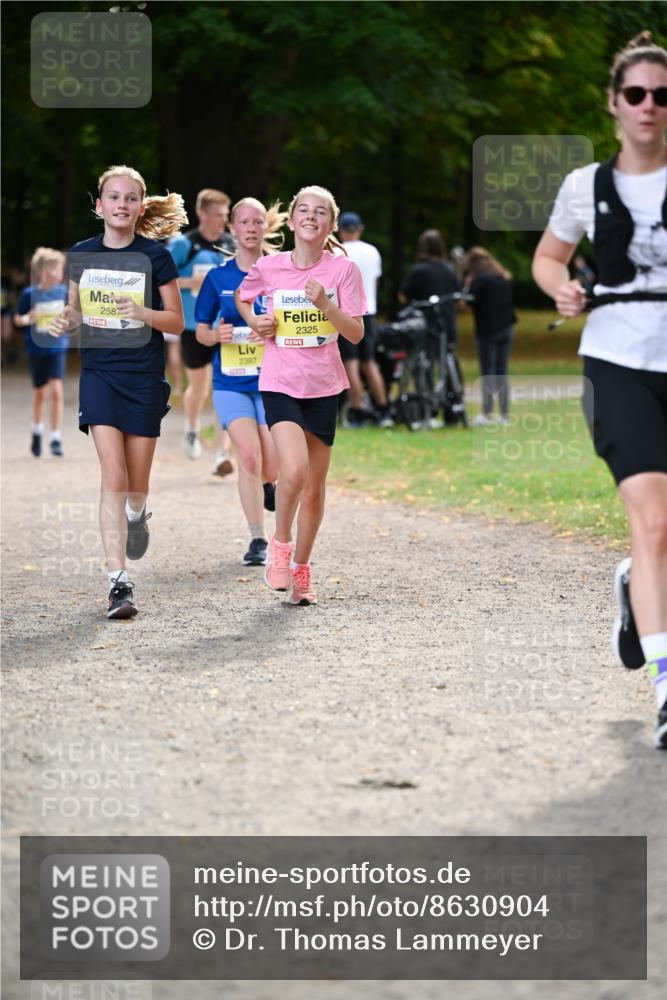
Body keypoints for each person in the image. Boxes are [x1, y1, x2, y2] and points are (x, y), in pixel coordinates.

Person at [532, 31, 667, 749]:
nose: (649, 106)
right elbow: (547, 258)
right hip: (616, 358)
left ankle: (633, 587)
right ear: (614, 104)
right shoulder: (584, 185)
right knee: (655, 523)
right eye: (635, 94)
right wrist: (560, 288)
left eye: (661, 95)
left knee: (659, 536)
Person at [49, 165, 186, 620]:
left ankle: (137, 514)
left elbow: (176, 321)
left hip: (143, 377)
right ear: (99, 205)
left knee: (136, 485)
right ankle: (118, 584)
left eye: (130, 198)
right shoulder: (81, 254)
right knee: (113, 473)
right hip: (100, 375)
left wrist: (143, 312)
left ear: (140, 207)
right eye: (113, 197)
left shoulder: (156, 257)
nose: (121, 205)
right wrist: (65, 320)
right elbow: (74, 312)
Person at [236, 184, 366, 606]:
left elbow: (356, 333)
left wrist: (326, 305)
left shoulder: (343, 270)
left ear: (331, 224)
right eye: (304, 210)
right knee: (293, 472)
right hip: (280, 381)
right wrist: (256, 322)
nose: (311, 216)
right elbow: (243, 297)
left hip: (323, 385)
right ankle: (280, 545)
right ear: (292, 221)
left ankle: (302, 571)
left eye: (321, 212)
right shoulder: (270, 267)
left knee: (314, 488)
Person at [195, 197, 283, 566]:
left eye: (258, 221)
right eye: (244, 222)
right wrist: (216, 335)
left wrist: (276, 329)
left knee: (272, 464)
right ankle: (257, 539)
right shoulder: (218, 277)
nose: (251, 228)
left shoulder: (282, 270)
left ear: (266, 227)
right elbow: (200, 331)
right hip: (230, 382)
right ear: (233, 228)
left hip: (275, 380)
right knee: (248, 456)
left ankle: (268, 483)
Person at [168, 188, 235, 472]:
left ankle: (222, 453)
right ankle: (192, 428)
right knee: (200, 386)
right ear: (203, 213)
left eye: (225, 215)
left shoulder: (231, 244)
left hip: (227, 325)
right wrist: (191, 283)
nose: (223, 220)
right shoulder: (184, 245)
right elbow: (161, 279)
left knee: (225, 389)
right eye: (218, 215)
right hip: (194, 326)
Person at [337, 211, 392, 427]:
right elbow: (375, 283)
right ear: (360, 229)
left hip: (347, 313)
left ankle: (358, 410)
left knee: (351, 364)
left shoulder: (338, 251)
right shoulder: (372, 251)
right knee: (370, 363)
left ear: (341, 230)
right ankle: (383, 410)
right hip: (369, 312)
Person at [14, 247, 69, 457]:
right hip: (36, 350)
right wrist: (28, 318)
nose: (61, 273)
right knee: (40, 392)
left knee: (56, 390)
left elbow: (72, 317)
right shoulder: (30, 294)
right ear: (45, 271)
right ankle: (37, 431)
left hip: (57, 348)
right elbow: (17, 319)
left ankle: (55, 437)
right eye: (58, 269)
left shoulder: (63, 293)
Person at [463, 246, 515, 426]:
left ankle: (487, 413)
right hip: (507, 328)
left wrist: (467, 285)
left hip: (487, 330)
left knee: (487, 371)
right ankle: (504, 414)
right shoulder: (503, 277)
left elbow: (465, 303)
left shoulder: (479, 280)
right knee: (502, 371)